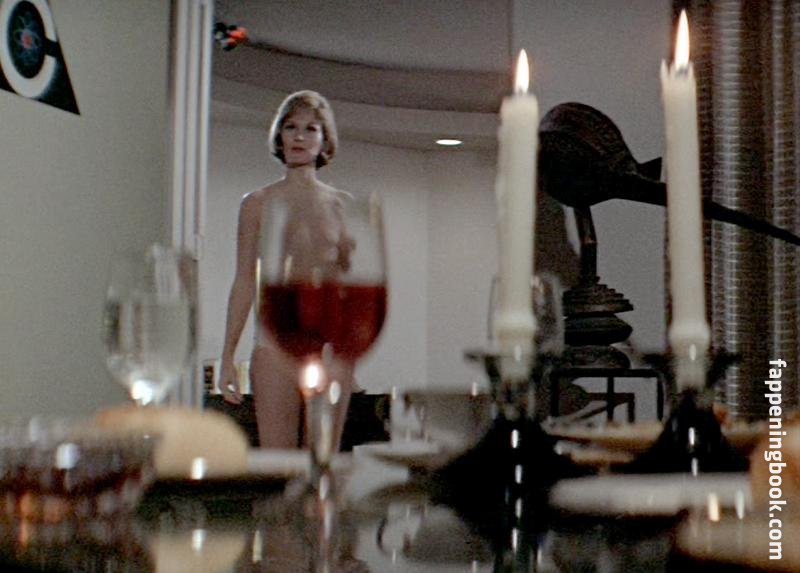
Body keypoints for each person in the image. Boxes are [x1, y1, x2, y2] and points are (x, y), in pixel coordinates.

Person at [219, 90, 355, 449]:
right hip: (274, 342)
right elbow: (244, 280)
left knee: (322, 458)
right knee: (277, 464)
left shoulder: (341, 205)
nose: (299, 137)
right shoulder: (257, 203)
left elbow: (349, 286)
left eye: (311, 129)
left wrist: (350, 350)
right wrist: (227, 355)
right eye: (291, 127)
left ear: (324, 140)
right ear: (279, 135)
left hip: (327, 343)